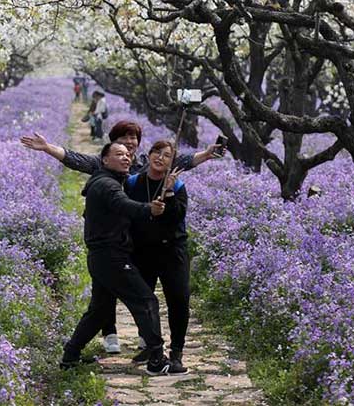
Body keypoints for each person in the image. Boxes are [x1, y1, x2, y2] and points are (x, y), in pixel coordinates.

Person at [20, 120, 225, 353]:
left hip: (148, 243)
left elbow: (174, 161)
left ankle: (143, 342)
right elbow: (76, 159)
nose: (128, 144)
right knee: (116, 294)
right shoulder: (107, 168)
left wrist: (206, 155)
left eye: (133, 139)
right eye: (122, 140)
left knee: (131, 297)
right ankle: (114, 336)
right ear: (110, 148)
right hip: (120, 242)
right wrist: (48, 148)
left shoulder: (142, 164)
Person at [60, 143, 179, 376]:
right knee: (146, 301)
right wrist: (148, 210)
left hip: (102, 258)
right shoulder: (107, 185)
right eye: (119, 155)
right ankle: (156, 359)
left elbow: (164, 162)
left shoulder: (108, 180)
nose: (126, 158)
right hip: (111, 257)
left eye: (127, 155)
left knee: (100, 311)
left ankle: (70, 356)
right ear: (104, 160)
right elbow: (123, 205)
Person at [125, 140, 190, 373]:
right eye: (156, 152)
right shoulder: (133, 182)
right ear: (149, 155)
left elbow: (177, 218)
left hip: (173, 251)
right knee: (144, 301)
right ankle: (154, 348)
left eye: (166, 155)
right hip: (144, 251)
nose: (160, 158)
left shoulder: (178, 185)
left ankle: (177, 352)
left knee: (179, 300)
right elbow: (128, 212)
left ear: (171, 162)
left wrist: (170, 193)